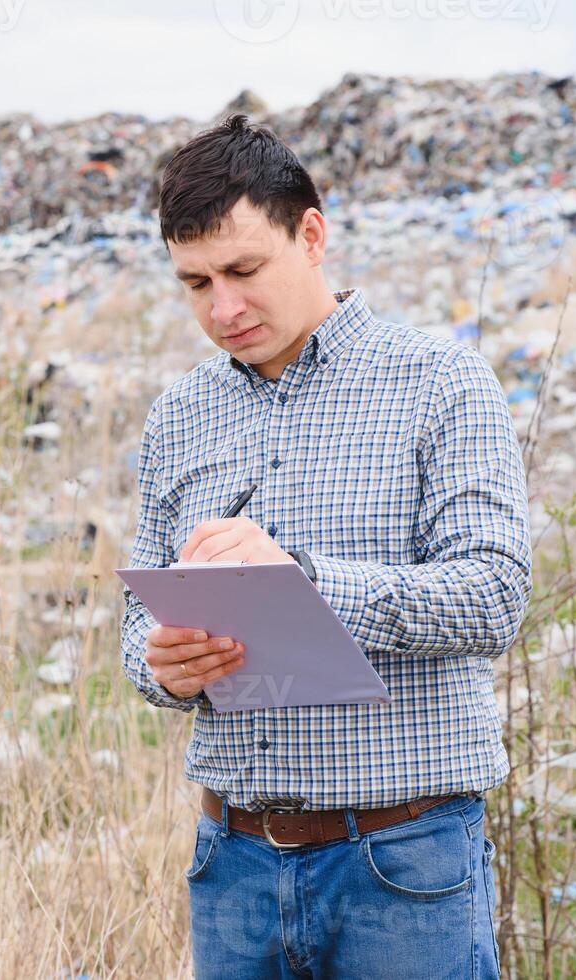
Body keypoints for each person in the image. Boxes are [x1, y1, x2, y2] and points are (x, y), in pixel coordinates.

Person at [119, 114, 531, 979]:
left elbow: (494, 597)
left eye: (242, 270)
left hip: (402, 865)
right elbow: (136, 632)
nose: (222, 308)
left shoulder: (440, 382)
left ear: (312, 234)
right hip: (230, 866)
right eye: (195, 283)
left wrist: (303, 582)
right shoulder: (179, 416)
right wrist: (164, 664)